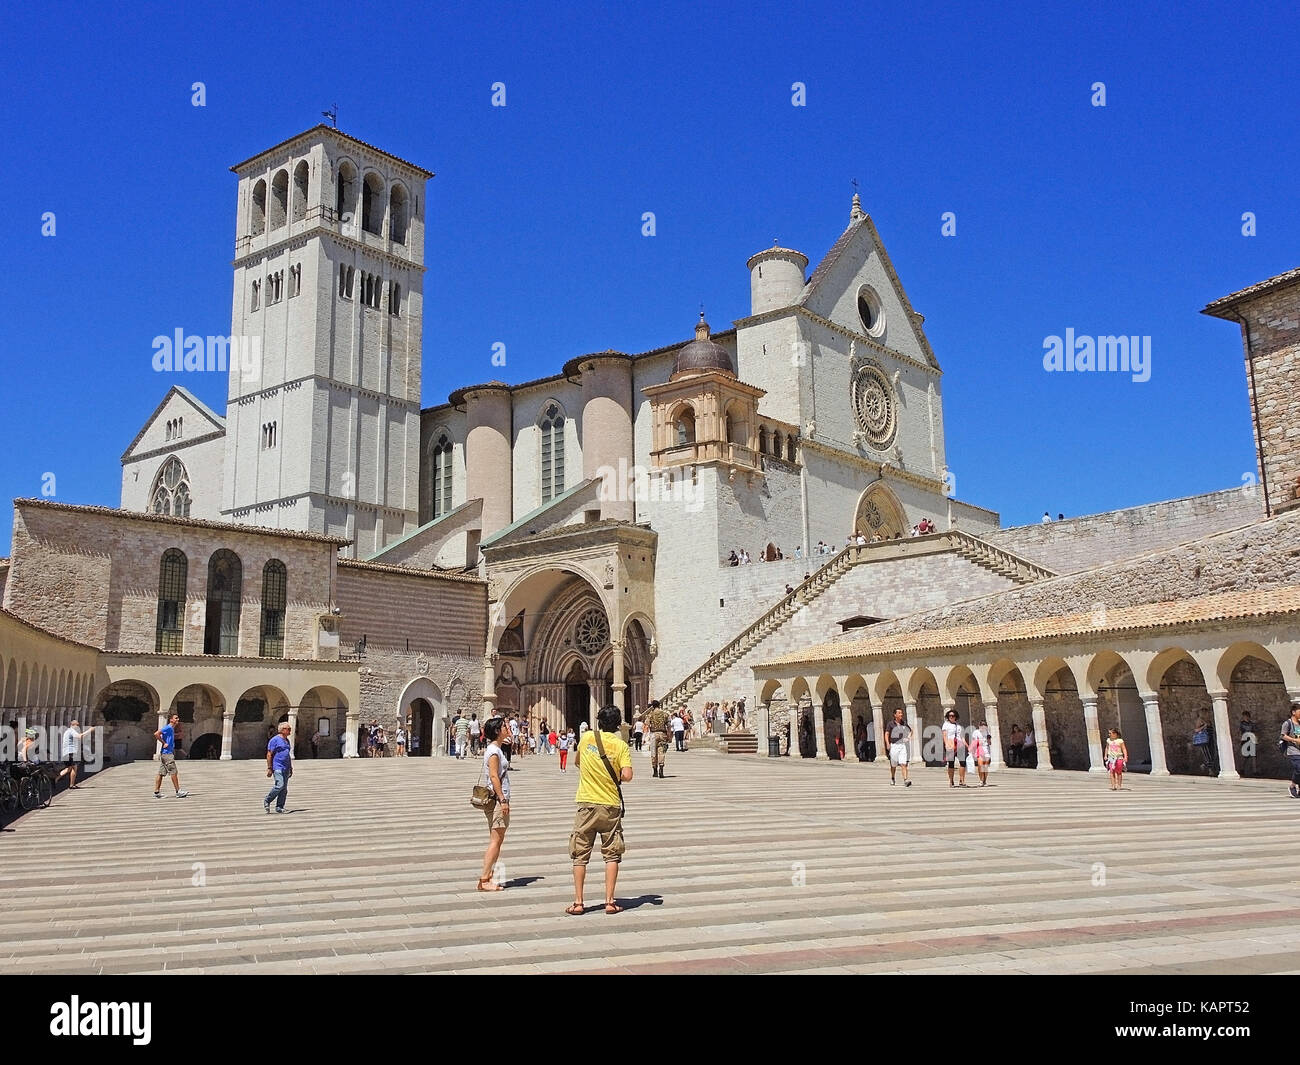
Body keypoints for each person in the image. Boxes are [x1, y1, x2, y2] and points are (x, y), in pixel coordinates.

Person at [566, 704, 633, 916]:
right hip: (610, 805)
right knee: (612, 854)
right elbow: (628, 775)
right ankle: (610, 902)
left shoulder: (586, 738)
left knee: (579, 854)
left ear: (599, 722)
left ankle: (578, 902)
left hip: (586, 802)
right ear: (618, 724)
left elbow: (577, 762)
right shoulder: (621, 745)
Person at [477, 717, 511, 891]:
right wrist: (502, 799)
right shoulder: (494, 752)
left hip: (498, 799)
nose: (508, 727)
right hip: (498, 800)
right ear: (498, 731)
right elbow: (494, 776)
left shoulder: (496, 749)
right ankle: (484, 880)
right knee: (495, 840)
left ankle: (488, 876)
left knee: (497, 839)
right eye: (505, 726)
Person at [152, 713, 188, 798]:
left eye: (178, 718)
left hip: (165, 754)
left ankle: (156, 792)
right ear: (171, 720)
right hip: (167, 754)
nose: (177, 720)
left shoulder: (171, 729)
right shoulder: (168, 727)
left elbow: (167, 736)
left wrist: (176, 735)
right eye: (176, 718)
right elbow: (156, 734)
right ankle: (178, 791)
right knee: (173, 771)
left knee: (161, 773)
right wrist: (164, 743)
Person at [264, 721, 292, 813]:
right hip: (277, 766)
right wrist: (269, 768)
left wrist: (291, 767)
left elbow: (287, 755)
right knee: (280, 785)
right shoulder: (274, 740)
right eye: (288, 729)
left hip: (286, 767)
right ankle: (267, 800)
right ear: (282, 730)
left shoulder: (287, 740)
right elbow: (269, 754)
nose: (290, 731)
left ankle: (280, 807)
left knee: (284, 789)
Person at [56, 720, 93, 790]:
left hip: (65, 753)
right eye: (77, 725)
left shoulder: (67, 731)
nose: (78, 727)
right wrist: (89, 730)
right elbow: (80, 736)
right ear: (73, 725)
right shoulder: (71, 731)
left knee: (68, 768)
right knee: (74, 768)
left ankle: (56, 778)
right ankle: (71, 785)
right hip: (71, 752)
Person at [645, 699, 672, 778]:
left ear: (653, 706)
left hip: (653, 734)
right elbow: (669, 726)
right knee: (661, 751)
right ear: (659, 705)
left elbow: (647, 725)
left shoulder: (650, 715)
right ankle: (661, 768)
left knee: (653, 752)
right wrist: (669, 735)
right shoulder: (665, 714)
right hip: (662, 734)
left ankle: (655, 770)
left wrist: (646, 736)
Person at [887, 707, 912, 786]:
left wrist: (908, 738)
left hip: (902, 746)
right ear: (895, 715)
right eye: (899, 713)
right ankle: (893, 778)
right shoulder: (890, 724)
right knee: (893, 765)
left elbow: (911, 731)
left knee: (903, 763)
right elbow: (886, 734)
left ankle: (905, 780)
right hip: (894, 745)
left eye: (901, 713)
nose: (901, 714)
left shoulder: (904, 723)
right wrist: (887, 743)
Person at [942, 709, 967, 787]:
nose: (951, 717)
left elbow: (962, 737)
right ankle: (951, 780)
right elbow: (944, 735)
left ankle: (961, 781)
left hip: (959, 744)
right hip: (950, 744)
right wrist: (946, 744)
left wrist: (967, 746)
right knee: (951, 763)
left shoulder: (959, 726)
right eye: (950, 716)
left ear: (956, 717)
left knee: (963, 762)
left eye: (953, 716)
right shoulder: (946, 724)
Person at [1280, 703, 1300, 799]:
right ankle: (1292, 786)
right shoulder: (1287, 723)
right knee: (1299, 768)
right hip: (1293, 750)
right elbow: (1283, 735)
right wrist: (1294, 740)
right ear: (1293, 712)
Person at [971, 721, 992, 786]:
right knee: (980, 765)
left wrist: (988, 740)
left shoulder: (987, 732)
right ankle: (981, 780)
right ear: (979, 726)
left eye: (984, 725)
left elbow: (990, 743)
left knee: (985, 767)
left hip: (986, 750)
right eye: (982, 725)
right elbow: (973, 741)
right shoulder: (976, 732)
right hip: (979, 749)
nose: (983, 726)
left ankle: (984, 781)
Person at [1239, 710, 1258, 776]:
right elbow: (1243, 731)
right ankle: (1242, 769)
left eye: (1246, 716)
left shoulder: (1251, 724)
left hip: (1251, 740)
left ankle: (1254, 771)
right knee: (1245, 756)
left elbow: (1254, 731)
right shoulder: (1242, 724)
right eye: (1244, 716)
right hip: (1245, 741)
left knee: (1253, 756)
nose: (1245, 717)